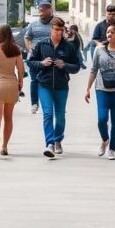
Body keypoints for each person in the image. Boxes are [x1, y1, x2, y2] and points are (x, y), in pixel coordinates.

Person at [28, 17, 81, 158]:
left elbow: (77, 67)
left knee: (60, 117)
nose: (59, 33)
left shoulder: (68, 47)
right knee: (48, 114)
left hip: (61, 85)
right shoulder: (42, 44)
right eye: (56, 30)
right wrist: (42, 63)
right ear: (51, 29)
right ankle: (50, 143)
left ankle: (58, 139)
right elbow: (31, 62)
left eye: (61, 30)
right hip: (44, 84)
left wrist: (65, 65)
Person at [85, 24, 115, 160]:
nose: (109, 34)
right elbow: (93, 69)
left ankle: (112, 149)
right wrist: (88, 88)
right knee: (102, 119)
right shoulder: (99, 50)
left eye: (112, 32)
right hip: (102, 88)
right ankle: (105, 140)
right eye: (108, 32)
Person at [0, 24, 26, 157]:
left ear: (0, 34)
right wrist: (20, 82)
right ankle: (4, 147)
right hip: (11, 85)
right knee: (9, 118)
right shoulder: (16, 49)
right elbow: (21, 69)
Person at [23, 1, 56, 114]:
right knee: (34, 80)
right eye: (39, 11)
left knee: (51, 80)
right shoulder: (33, 25)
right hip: (35, 57)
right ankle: (34, 103)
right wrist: (30, 49)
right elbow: (27, 37)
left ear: (49, 10)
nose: (40, 13)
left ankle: (53, 103)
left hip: (50, 56)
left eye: (43, 11)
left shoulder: (55, 23)